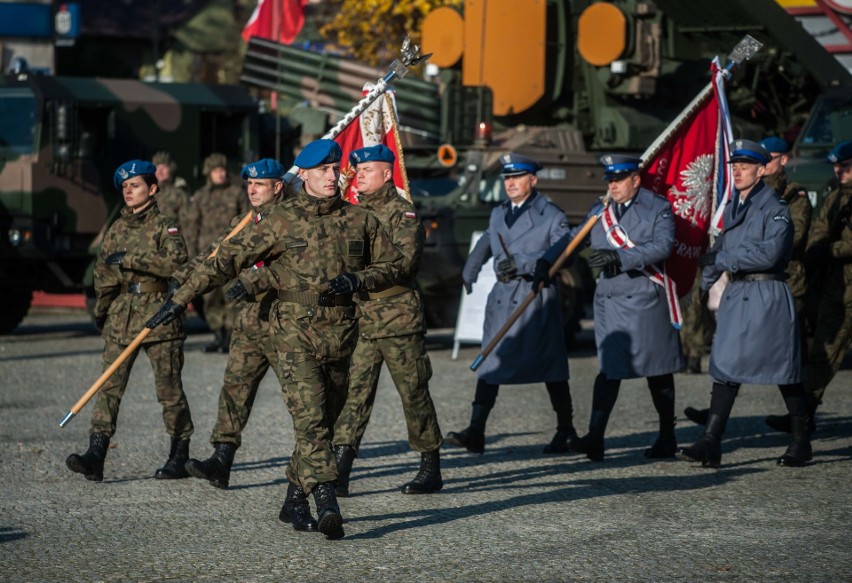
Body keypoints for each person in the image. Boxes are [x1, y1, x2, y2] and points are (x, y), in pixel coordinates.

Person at [146, 139, 403, 540]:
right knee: (312, 420)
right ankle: (325, 498)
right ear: (303, 175)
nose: (333, 176)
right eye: (323, 171)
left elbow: (393, 266)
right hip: (293, 334)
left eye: (336, 169)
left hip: (341, 334)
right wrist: (179, 299)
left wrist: (359, 279)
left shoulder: (360, 220)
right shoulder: (280, 220)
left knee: (327, 420)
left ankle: (294, 498)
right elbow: (224, 259)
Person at [534, 154, 683, 462]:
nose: (612, 186)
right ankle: (596, 438)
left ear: (635, 180)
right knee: (609, 371)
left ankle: (667, 435)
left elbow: (663, 246)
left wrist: (621, 258)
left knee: (657, 370)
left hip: (644, 297)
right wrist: (546, 261)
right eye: (609, 181)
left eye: (618, 180)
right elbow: (573, 240)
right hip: (611, 303)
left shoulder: (659, 208)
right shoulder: (600, 211)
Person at [677, 139, 811, 468]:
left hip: (767, 295)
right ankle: (711, 442)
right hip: (738, 296)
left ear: (762, 170)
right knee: (724, 367)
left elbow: (771, 254)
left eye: (745, 166)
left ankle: (801, 441)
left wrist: (723, 257)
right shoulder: (736, 208)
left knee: (785, 370)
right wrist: (703, 284)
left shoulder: (775, 208)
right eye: (734, 165)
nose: (737, 171)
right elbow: (721, 250)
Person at [66, 160, 193, 482]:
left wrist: (133, 259)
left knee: (169, 391)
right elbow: (104, 272)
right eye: (124, 187)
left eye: (134, 185)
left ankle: (179, 454)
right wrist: (102, 310)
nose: (128, 192)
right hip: (121, 318)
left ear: (152, 189)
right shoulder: (117, 228)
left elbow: (177, 263)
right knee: (109, 388)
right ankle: (96, 453)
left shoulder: (166, 225)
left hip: (159, 318)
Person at [444, 153, 577, 455]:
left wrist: (526, 263)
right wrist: (470, 268)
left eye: (517, 178)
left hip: (535, 298)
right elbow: (488, 240)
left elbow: (563, 248)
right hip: (503, 297)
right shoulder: (499, 212)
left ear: (533, 180)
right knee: (490, 362)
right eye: (507, 178)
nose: (511, 184)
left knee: (551, 366)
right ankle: (476, 430)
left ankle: (566, 430)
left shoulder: (551, 215)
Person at [173, 159, 292, 495]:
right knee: (235, 389)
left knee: (303, 399)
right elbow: (214, 255)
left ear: (278, 186)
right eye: (249, 184)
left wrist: (256, 278)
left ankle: (325, 466)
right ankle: (221, 458)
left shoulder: (293, 220)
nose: (252, 190)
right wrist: (180, 281)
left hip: (287, 321)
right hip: (252, 319)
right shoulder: (244, 222)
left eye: (260, 184)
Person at [331, 144, 443, 497]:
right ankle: (341, 468)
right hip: (362, 317)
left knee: (413, 391)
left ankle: (430, 466)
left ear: (386, 174)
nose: (358, 175)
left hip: (397, 316)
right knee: (355, 394)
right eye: (356, 170)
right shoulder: (350, 213)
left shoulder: (402, 214)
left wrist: (359, 278)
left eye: (366, 170)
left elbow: (403, 264)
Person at [764, 139, 852, 434]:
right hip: (839, 288)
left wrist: (827, 250)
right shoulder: (836, 197)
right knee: (821, 354)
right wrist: (819, 250)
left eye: (845, 165)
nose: (839, 170)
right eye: (837, 165)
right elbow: (817, 233)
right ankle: (802, 417)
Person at [185, 152, 249, 353]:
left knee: (231, 296)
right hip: (208, 255)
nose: (220, 174)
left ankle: (230, 336)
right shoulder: (201, 196)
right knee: (210, 298)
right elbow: (192, 226)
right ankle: (217, 334)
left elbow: (248, 221)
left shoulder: (237, 193)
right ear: (208, 173)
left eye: (222, 170)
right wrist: (193, 255)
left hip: (231, 255)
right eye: (216, 171)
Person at [151, 151, 190, 226]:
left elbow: (187, 223)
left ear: (171, 169)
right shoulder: (147, 192)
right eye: (157, 167)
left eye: (164, 167)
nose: (160, 171)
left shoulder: (180, 193)